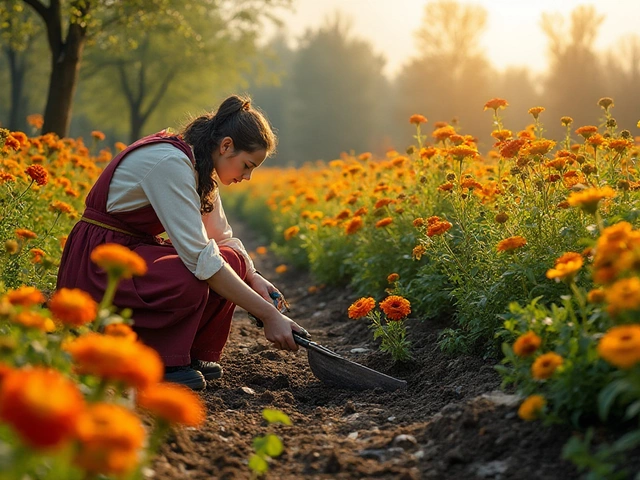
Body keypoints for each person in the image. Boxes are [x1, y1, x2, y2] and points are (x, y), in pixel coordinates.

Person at [57, 95, 305, 390]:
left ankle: (189, 353)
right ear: (226, 146)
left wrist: (254, 278)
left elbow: (222, 238)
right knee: (193, 275)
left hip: (133, 252)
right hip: (100, 262)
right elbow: (201, 258)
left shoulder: (201, 168)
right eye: (247, 165)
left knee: (234, 261)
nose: (248, 177)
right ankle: (159, 358)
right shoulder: (171, 163)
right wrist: (269, 316)